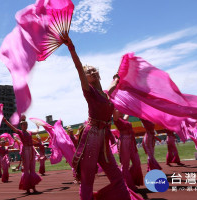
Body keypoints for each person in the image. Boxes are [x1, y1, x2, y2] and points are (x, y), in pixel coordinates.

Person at [63, 36, 142, 200]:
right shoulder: (89, 92)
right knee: (87, 179)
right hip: (91, 137)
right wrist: (72, 48)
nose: (92, 72)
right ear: (87, 78)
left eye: (94, 69)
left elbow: (114, 83)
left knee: (117, 176)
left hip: (103, 139)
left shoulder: (105, 94)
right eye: (89, 72)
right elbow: (78, 68)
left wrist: (120, 72)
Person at [3, 115, 42, 194]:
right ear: (21, 126)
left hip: (31, 150)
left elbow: (37, 131)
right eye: (23, 124)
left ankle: (33, 188)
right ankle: (27, 188)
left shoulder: (29, 132)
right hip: (25, 151)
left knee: (32, 169)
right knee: (26, 169)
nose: (25, 126)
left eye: (26, 124)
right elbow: (12, 128)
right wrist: (5, 121)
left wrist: (37, 126)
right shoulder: (20, 132)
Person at [113, 110, 143, 191]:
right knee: (125, 165)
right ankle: (128, 185)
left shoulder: (124, 119)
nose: (120, 110)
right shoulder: (116, 119)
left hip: (131, 143)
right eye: (118, 110)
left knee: (137, 163)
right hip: (124, 143)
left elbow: (128, 112)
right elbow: (114, 111)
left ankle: (130, 180)